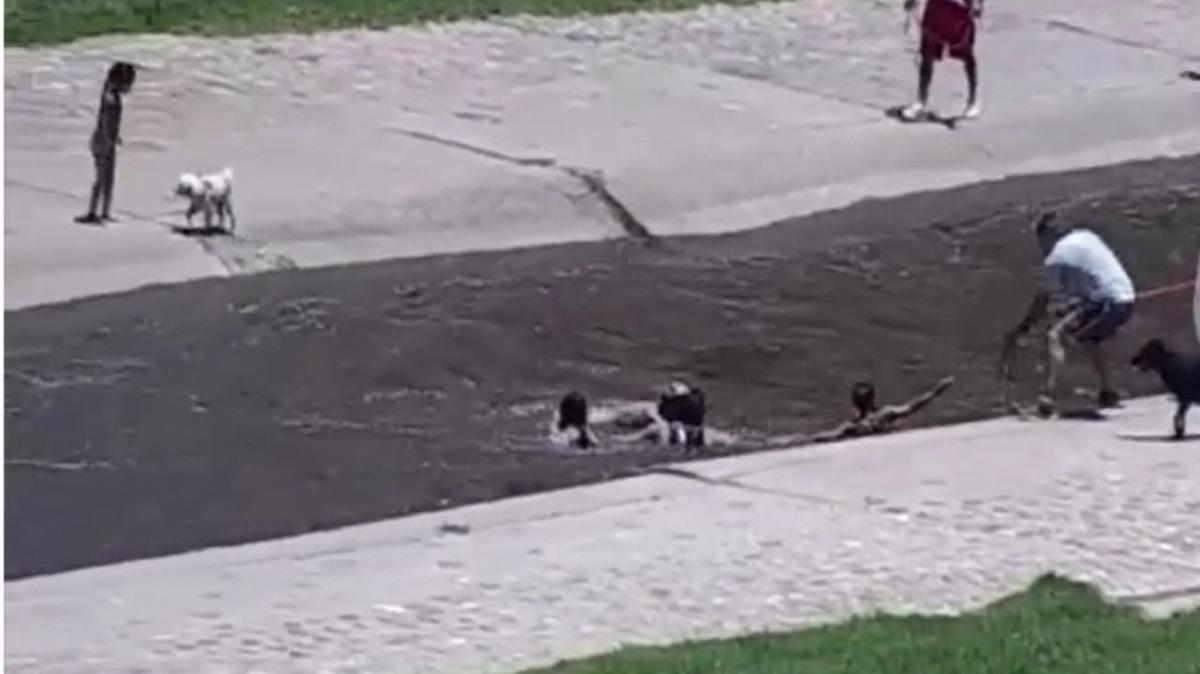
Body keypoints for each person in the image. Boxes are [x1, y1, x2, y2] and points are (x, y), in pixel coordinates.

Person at [1000, 212, 1136, 412]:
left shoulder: (1057, 255)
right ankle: (1107, 392)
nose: (1041, 248)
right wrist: (1069, 308)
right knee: (1090, 340)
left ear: (1048, 235)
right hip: (1124, 298)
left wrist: (1024, 327)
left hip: (1108, 303)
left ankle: (1048, 397)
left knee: (1055, 336)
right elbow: (1090, 280)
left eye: (1040, 241)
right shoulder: (1087, 236)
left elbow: (1044, 298)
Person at [899, 0, 982, 121]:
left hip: (959, 11)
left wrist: (977, 4)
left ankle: (973, 100)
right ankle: (921, 101)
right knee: (927, 54)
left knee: (966, 54)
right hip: (936, 9)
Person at [76, 61, 137, 225]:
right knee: (102, 178)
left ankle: (104, 211)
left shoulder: (110, 94)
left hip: (105, 140)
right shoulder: (111, 98)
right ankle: (93, 212)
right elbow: (106, 121)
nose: (130, 88)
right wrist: (110, 139)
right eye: (129, 83)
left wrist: (115, 137)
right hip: (102, 141)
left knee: (107, 179)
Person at [808, 376, 955, 443]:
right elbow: (914, 406)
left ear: (854, 402)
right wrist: (938, 389)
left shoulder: (852, 427)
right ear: (873, 399)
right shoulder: (886, 415)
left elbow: (827, 436)